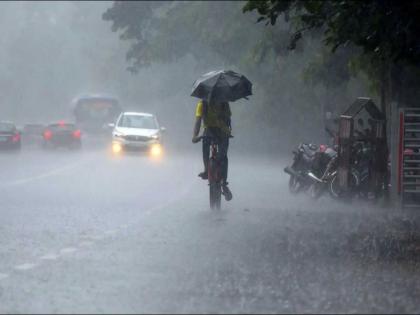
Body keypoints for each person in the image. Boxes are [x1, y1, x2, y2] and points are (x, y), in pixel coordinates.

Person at [192, 98, 233, 201]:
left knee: (223, 155)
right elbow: (198, 121)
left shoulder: (224, 103)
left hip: (222, 131)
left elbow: (228, 119)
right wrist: (195, 135)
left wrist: (222, 117)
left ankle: (224, 183)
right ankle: (207, 169)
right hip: (209, 130)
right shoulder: (202, 104)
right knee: (205, 143)